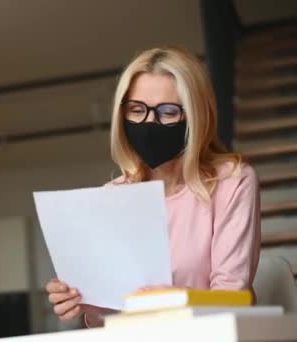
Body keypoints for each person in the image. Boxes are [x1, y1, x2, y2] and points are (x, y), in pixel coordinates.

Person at [46, 47, 261, 327]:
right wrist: (82, 300)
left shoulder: (233, 181)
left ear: (195, 115)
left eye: (168, 111)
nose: (149, 123)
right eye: (137, 110)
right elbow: (107, 318)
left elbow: (233, 296)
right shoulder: (113, 195)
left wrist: (175, 300)